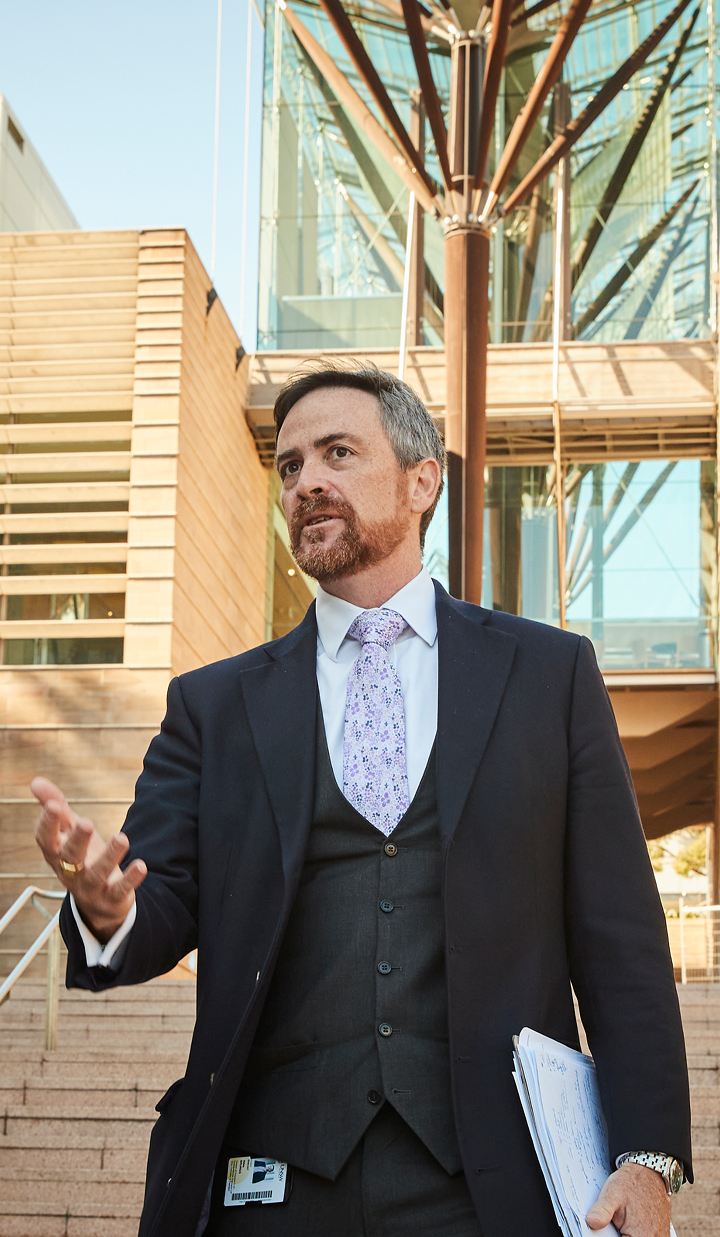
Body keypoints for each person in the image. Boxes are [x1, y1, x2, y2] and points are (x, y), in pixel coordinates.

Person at [32, 365, 691, 1237]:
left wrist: (648, 1158)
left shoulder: (548, 676)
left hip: (487, 1186)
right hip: (269, 1184)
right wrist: (108, 906)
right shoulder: (215, 705)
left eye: (338, 453)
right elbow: (163, 900)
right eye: (291, 464)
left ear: (423, 482)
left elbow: (621, 938)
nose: (308, 481)